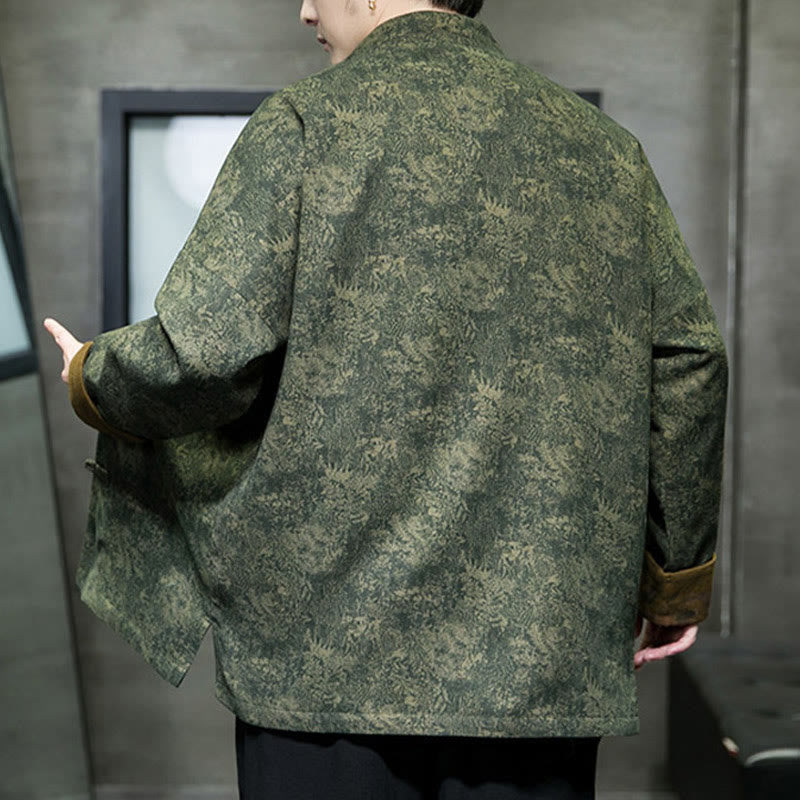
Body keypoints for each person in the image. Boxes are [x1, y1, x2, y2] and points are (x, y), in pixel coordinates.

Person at [44, 0, 728, 797]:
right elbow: (691, 359)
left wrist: (92, 374)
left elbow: (202, 354)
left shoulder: (305, 124)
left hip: (325, 664)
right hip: (539, 665)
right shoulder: (605, 150)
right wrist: (674, 576)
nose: (305, 9)